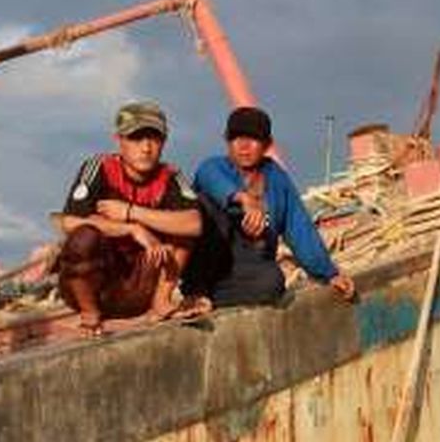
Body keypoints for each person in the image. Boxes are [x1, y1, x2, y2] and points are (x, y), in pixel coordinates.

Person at [182, 106, 354, 305]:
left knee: (272, 283)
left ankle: (213, 300)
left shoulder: (277, 179)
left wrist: (329, 273)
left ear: (267, 144)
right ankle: (195, 292)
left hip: (247, 266)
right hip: (211, 260)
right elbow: (209, 177)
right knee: (204, 207)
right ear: (227, 141)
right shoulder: (214, 167)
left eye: (253, 138)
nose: (244, 146)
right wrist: (244, 199)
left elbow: (300, 228)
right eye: (237, 138)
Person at [57, 101, 202, 336]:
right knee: (83, 237)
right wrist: (131, 229)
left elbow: (194, 224)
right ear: (120, 140)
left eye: (154, 139)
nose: (146, 148)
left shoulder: (171, 176)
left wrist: (131, 211)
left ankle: (161, 302)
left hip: (139, 287)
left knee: (182, 230)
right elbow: (69, 222)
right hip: (97, 285)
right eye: (136, 138)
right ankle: (90, 315)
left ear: (163, 141)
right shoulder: (99, 167)